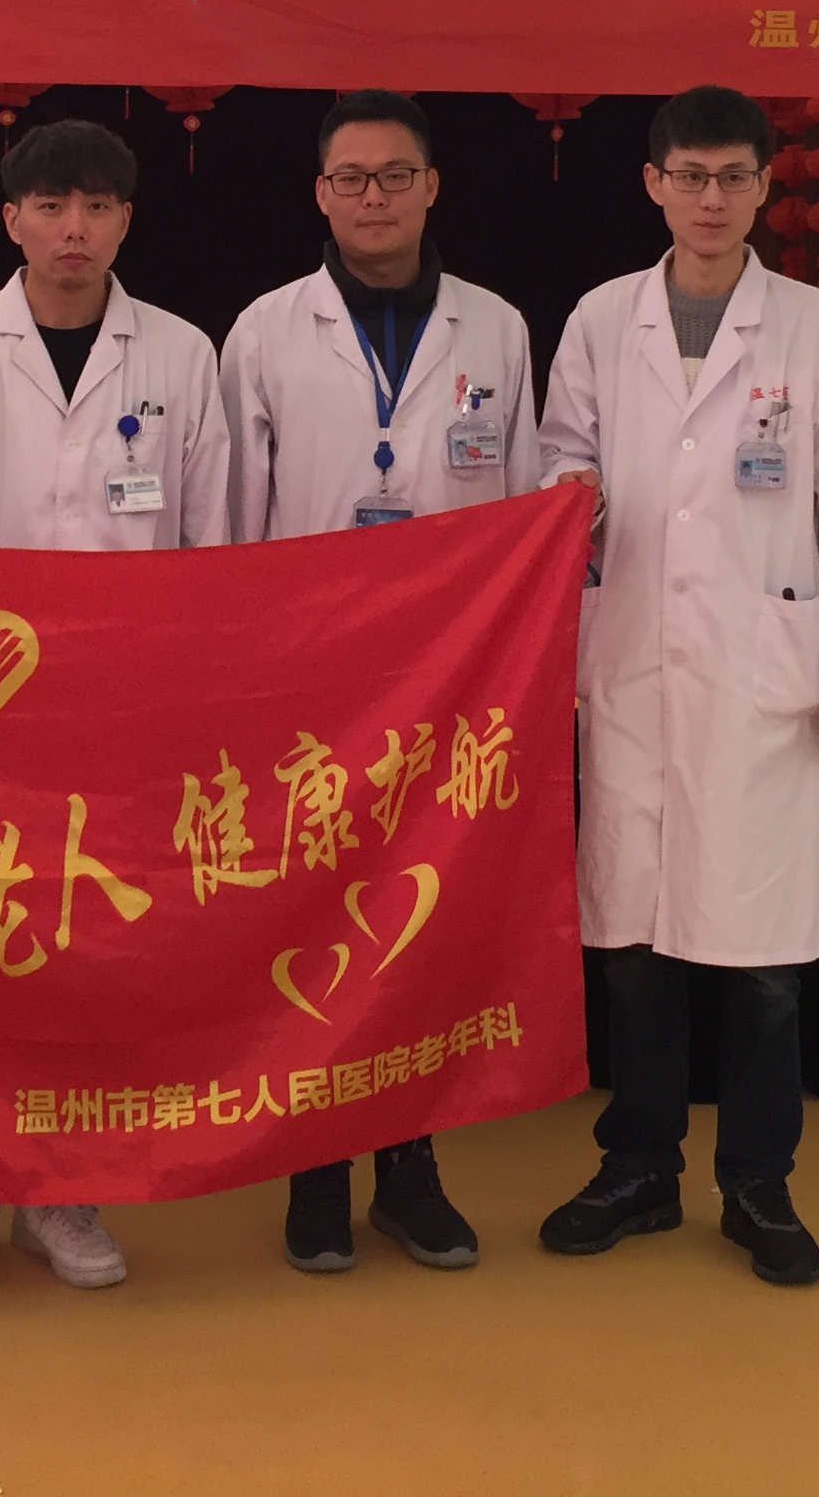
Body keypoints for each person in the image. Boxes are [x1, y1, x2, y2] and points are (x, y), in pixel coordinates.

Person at [533, 86, 819, 1287]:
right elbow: (561, 456)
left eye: (732, 177)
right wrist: (572, 492)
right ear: (653, 183)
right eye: (689, 176)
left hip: (766, 682)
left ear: (763, 186)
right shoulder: (604, 318)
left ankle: (758, 1182)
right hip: (634, 666)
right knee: (633, 950)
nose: (710, 198)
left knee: (764, 965)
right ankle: (639, 1168)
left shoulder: (816, 328)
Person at [0, 116, 230, 1297]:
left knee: (90, 952)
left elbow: (210, 538)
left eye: (96, 206)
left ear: (127, 220)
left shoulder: (181, 352)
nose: (73, 228)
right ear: (11, 220)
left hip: (125, 706)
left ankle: (66, 1187)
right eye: (50, 206)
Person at [218, 88, 538, 1275]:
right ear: (320, 193)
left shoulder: (495, 328)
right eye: (350, 178)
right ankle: (315, 1166)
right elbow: (234, 522)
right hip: (310, 672)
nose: (373, 197)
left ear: (431, 187)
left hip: (452, 671)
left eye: (394, 175)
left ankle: (410, 1167)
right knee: (311, 915)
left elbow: (520, 504)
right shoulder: (265, 330)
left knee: (426, 912)